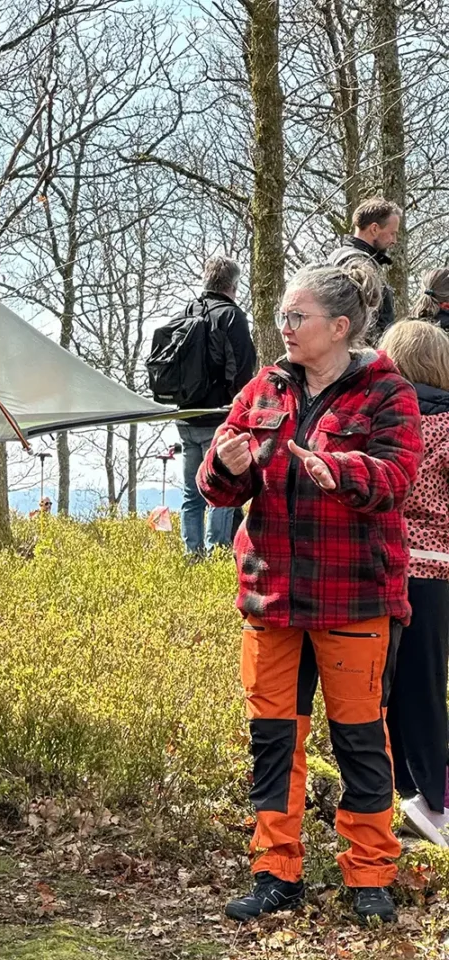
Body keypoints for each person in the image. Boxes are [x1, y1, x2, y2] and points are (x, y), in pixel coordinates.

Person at [197, 261, 422, 924]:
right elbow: (217, 487)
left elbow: (398, 476)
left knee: (360, 740)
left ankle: (370, 876)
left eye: (298, 317)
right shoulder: (263, 388)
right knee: (272, 740)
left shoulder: (387, 391)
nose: (285, 327)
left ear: (341, 326)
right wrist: (224, 467)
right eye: (282, 316)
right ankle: (275, 872)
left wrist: (339, 469)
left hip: (355, 598)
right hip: (271, 599)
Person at [380, 320, 449, 845]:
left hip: (384, 568)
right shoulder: (447, 425)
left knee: (388, 684)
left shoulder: (384, 422)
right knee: (428, 683)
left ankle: (401, 786)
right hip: (437, 570)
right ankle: (435, 797)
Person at [175, 256, 255, 558]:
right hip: (220, 414)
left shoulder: (186, 312)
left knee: (191, 491)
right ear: (233, 285)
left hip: (185, 414)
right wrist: (243, 406)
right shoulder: (231, 316)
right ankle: (217, 551)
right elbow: (243, 366)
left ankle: (191, 554)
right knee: (222, 486)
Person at [327, 197, 402, 342]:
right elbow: (362, 325)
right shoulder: (358, 263)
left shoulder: (339, 257)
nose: (394, 240)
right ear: (374, 229)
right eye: (392, 233)